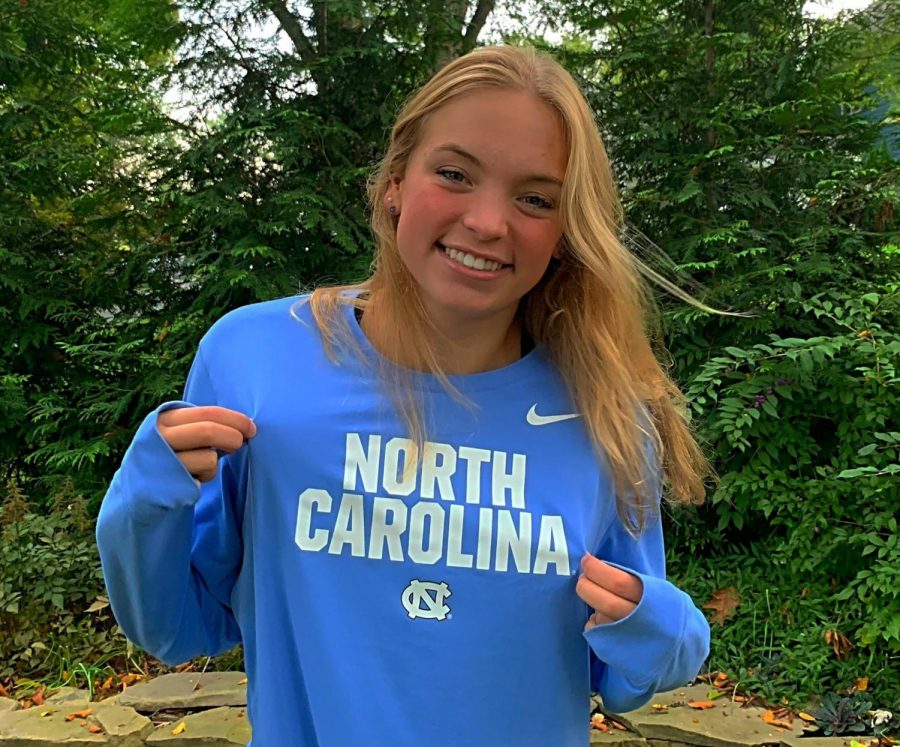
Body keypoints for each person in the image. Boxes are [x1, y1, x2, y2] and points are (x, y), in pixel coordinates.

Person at [97, 44, 711, 747]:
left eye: (535, 198)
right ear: (395, 181)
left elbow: (628, 672)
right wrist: (146, 495)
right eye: (454, 174)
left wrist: (665, 625)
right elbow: (178, 626)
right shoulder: (255, 357)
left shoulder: (603, 410)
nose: (487, 221)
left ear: (567, 231)